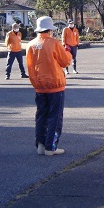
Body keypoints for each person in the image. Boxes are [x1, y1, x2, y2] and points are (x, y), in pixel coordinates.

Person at [27, 16, 72, 156]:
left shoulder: (31, 44)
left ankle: (40, 145)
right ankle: (50, 147)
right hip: (54, 85)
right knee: (55, 116)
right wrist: (68, 52)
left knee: (41, 115)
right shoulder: (53, 43)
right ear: (50, 30)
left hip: (39, 86)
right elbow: (65, 62)